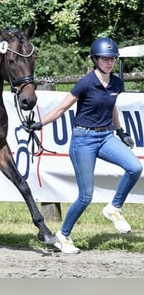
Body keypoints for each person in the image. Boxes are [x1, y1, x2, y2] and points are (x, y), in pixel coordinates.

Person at [25, 37, 143, 254]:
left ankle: (114, 208)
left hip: (106, 136)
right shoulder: (86, 83)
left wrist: (120, 131)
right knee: (86, 196)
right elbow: (61, 109)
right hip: (83, 140)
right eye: (105, 59)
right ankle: (63, 235)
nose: (109, 63)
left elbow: (112, 107)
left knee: (135, 167)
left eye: (112, 59)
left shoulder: (117, 83)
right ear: (95, 60)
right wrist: (40, 123)